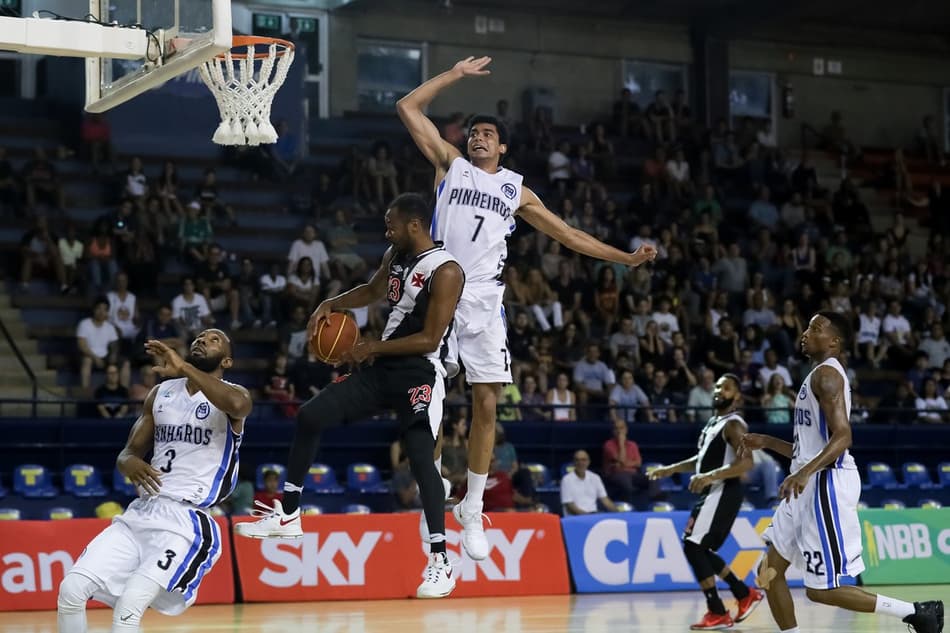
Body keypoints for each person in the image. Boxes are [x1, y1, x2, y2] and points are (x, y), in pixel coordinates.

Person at [396, 55, 657, 560]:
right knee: (427, 397)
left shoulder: (517, 190)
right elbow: (407, 106)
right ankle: (435, 489)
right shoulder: (449, 165)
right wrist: (453, 75)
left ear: (504, 145)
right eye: (474, 132)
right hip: (439, 290)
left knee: (488, 402)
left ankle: (472, 505)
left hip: (485, 300)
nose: (479, 138)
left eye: (489, 133)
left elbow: (570, 235)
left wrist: (624, 259)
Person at [234, 193, 464, 600]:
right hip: (383, 368)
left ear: (415, 224)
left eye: (392, 223)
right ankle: (289, 513)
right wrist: (330, 302)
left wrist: (372, 347)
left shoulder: (445, 271)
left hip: (420, 372)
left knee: (421, 461)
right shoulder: (395, 254)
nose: (386, 229)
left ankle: (440, 560)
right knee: (309, 416)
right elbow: (373, 290)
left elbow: (430, 338)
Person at [740, 312, 944, 633]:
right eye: (807, 326)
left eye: (815, 328)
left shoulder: (828, 376)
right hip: (806, 484)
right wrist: (765, 441)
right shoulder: (817, 376)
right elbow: (806, 449)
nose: (806, 333)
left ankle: (918, 612)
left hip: (826, 484)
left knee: (821, 590)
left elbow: (844, 436)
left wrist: (804, 473)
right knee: (768, 572)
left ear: (834, 341)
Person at [57, 329, 251, 633]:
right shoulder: (162, 393)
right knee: (71, 590)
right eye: (199, 337)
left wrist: (184, 367)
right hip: (143, 512)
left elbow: (239, 406)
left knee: (128, 608)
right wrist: (129, 462)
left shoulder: (234, 394)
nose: (202, 340)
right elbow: (128, 453)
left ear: (226, 360)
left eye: (214, 339)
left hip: (186, 520)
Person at [650, 374, 764, 630]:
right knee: (699, 548)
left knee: (693, 546)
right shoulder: (714, 423)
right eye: (717, 387)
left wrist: (709, 476)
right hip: (712, 490)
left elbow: (746, 462)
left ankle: (718, 610)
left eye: (726, 388)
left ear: (737, 396)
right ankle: (743, 594)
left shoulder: (734, 425)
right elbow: (701, 461)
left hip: (724, 490)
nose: (719, 390)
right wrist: (669, 470)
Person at [560, 450, 618, 515]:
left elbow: (605, 500)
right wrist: (587, 517)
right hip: (575, 518)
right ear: (574, 462)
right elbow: (570, 505)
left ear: (588, 462)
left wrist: (619, 514)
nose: (580, 463)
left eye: (583, 460)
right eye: (577, 460)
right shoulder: (566, 480)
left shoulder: (595, 477)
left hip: (593, 516)